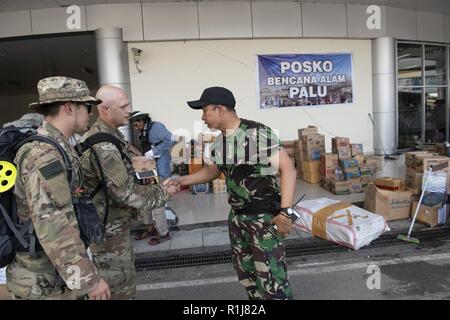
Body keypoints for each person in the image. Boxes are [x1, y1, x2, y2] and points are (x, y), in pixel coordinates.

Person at [170, 86, 297, 300]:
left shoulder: (257, 133)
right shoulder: (220, 142)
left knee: (273, 283)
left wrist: (286, 213)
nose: (203, 117)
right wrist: (180, 180)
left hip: (263, 219)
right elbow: (212, 171)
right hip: (237, 219)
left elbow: (288, 170)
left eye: (204, 110)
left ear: (219, 109)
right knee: (248, 277)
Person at [6, 76, 110, 300]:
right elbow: (53, 224)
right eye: (87, 106)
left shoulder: (60, 147)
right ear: (69, 107)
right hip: (42, 282)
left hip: (54, 275)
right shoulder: (44, 156)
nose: (91, 113)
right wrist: (88, 281)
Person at [79, 85, 176, 299]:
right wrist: (163, 192)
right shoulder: (103, 145)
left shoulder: (111, 136)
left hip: (114, 226)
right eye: (123, 106)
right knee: (119, 289)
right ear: (105, 109)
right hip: (108, 232)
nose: (129, 110)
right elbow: (124, 193)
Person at [129, 111, 176, 245]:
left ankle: (163, 232)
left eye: (136, 124)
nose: (135, 127)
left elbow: (171, 139)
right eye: (133, 125)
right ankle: (149, 227)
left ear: (143, 120)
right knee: (144, 199)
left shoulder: (156, 127)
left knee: (157, 202)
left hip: (160, 170)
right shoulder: (143, 131)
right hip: (147, 168)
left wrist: (154, 152)